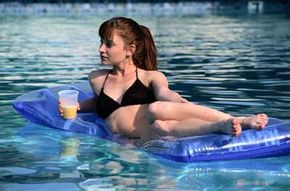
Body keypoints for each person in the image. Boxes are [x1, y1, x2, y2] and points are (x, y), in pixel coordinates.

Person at [59, 17, 268, 142]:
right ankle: (222, 125)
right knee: (161, 126)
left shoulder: (151, 76)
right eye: (101, 42)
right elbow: (100, 102)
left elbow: (164, 93)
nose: (101, 49)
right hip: (145, 137)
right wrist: (76, 106)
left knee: (158, 110)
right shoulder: (98, 79)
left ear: (130, 50)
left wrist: (175, 98)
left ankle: (236, 120)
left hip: (154, 126)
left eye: (108, 44)